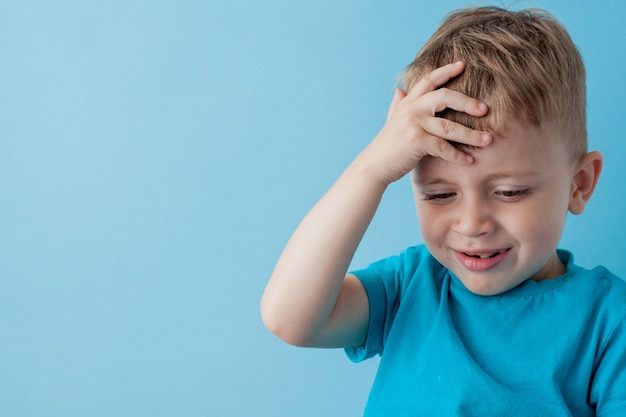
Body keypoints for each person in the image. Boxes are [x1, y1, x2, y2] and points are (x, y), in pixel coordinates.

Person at [261, 6, 626, 416]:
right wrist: (372, 169)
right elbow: (288, 317)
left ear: (579, 184)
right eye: (439, 195)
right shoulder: (410, 286)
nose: (472, 224)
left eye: (509, 192)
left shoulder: (610, 322)